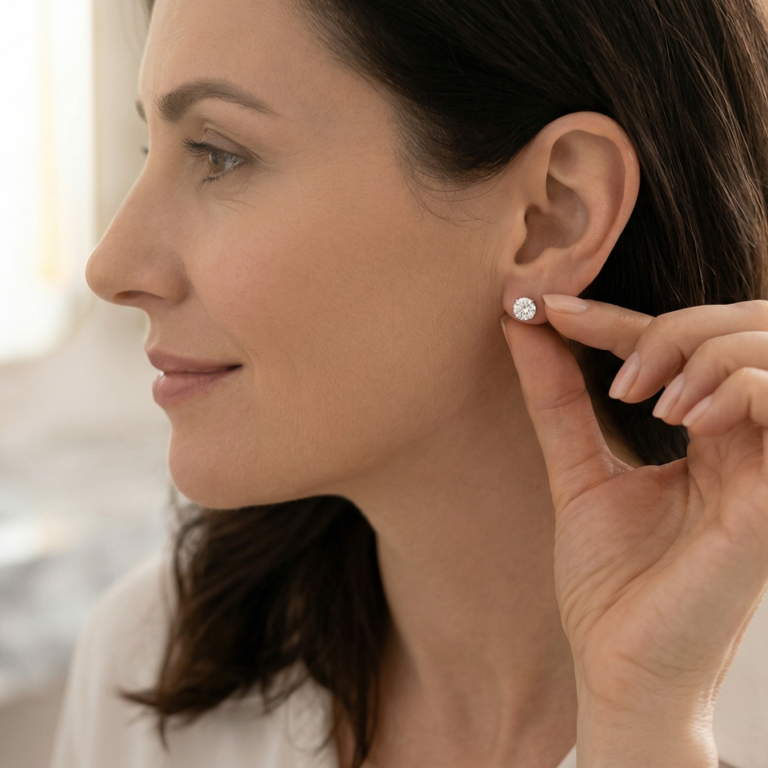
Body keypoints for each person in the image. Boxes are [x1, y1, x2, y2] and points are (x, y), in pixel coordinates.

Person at [51, 0, 768, 765]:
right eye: (147, 146)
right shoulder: (151, 658)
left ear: (552, 215)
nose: (111, 267)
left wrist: (651, 725)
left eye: (219, 153)